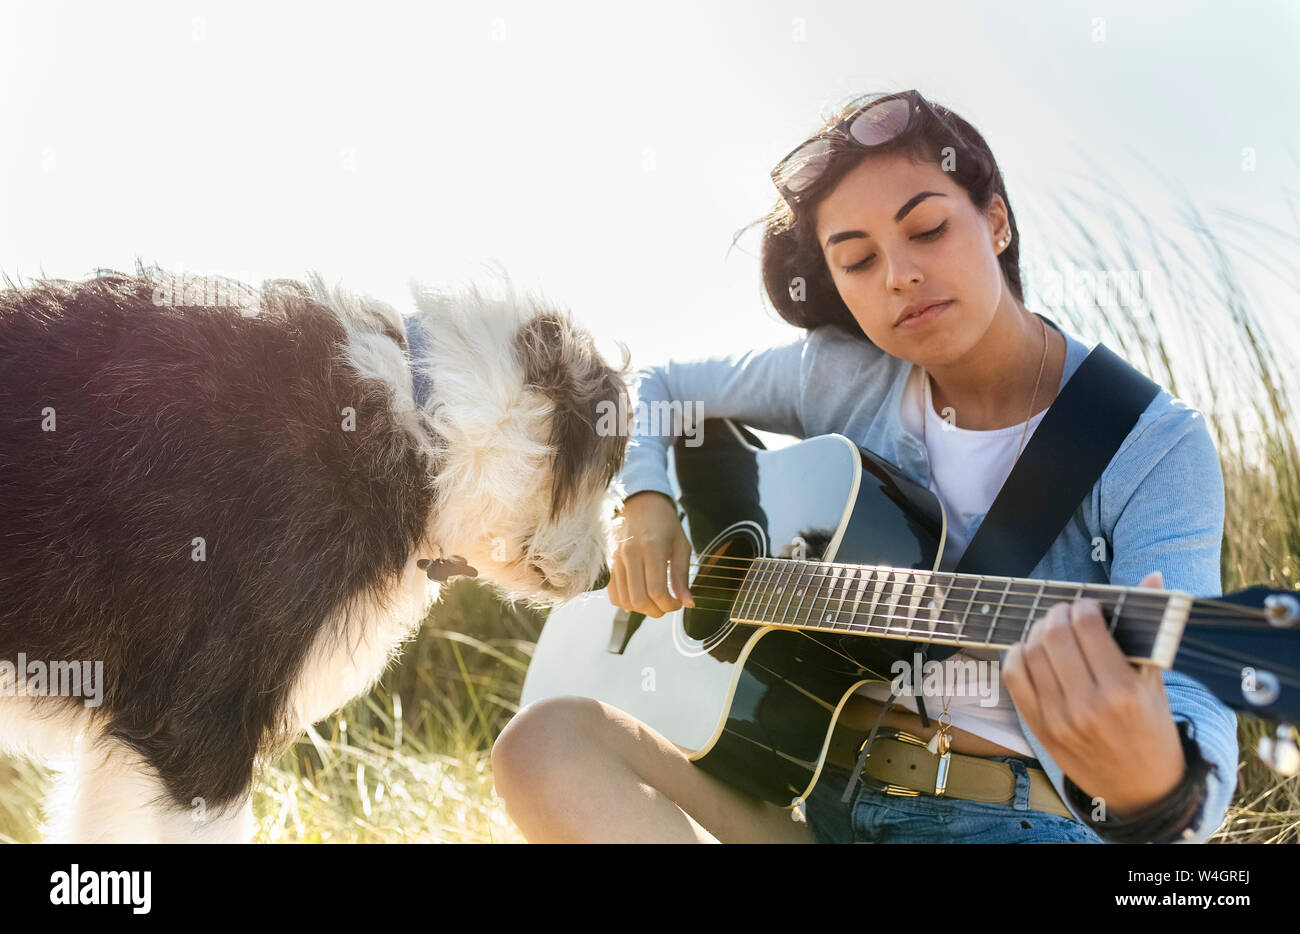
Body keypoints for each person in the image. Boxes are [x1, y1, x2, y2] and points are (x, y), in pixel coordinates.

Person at [491, 89, 1237, 843]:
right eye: (857, 259)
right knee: (542, 744)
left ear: (998, 222)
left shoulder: (1147, 442)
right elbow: (659, 386)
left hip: (1012, 818)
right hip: (811, 805)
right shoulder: (844, 375)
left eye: (929, 229)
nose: (899, 276)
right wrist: (644, 499)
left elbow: (1198, 710)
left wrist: (1157, 783)